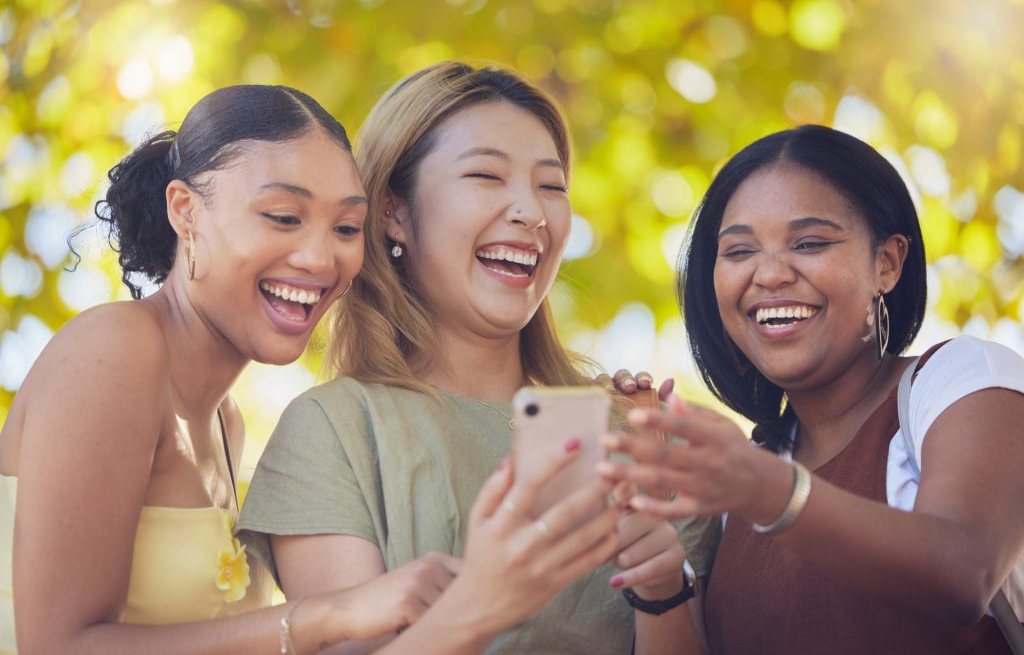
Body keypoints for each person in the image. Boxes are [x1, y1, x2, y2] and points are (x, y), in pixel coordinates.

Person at [237, 62, 711, 654]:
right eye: (487, 175)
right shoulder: (335, 430)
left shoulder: (639, 433)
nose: (532, 212)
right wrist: (486, 598)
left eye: (552, 185)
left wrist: (662, 587)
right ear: (394, 212)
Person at [0, 85, 469, 654]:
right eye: (283, 216)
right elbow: (56, 646)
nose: (322, 259)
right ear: (185, 211)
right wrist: (326, 615)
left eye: (346, 228)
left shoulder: (227, 420)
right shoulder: (114, 349)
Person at [601, 124, 1024, 653]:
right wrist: (660, 577)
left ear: (886, 264)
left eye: (809, 243)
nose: (770, 274)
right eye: (738, 251)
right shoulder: (740, 487)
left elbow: (964, 573)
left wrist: (765, 487)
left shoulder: (962, 379)